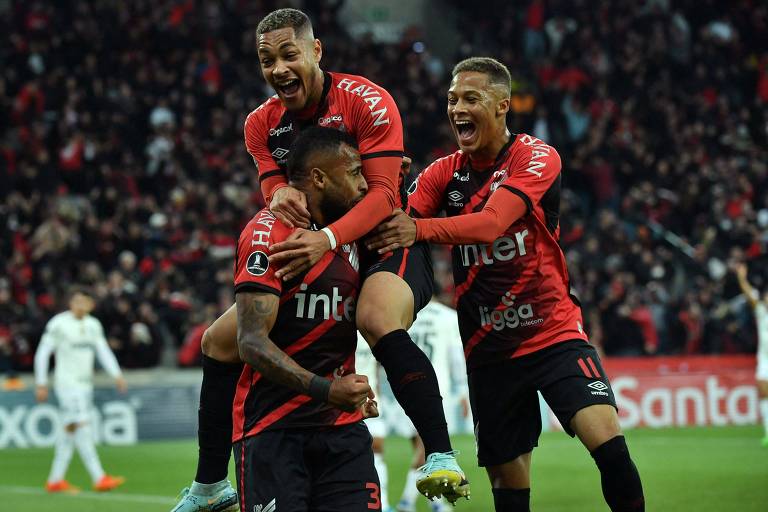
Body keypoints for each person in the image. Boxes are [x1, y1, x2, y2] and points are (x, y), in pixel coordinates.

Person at [172, 8, 467, 511]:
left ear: (316, 51)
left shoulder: (366, 100)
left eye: (290, 54)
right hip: (323, 244)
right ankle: (209, 484)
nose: (280, 68)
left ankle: (438, 453)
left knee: (375, 317)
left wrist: (327, 238)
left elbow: (380, 196)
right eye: (268, 60)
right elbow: (279, 196)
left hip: (384, 240)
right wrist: (285, 205)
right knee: (220, 341)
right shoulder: (262, 124)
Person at [367, 57, 645, 512]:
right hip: (490, 351)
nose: (457, 108)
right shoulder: (442, 174)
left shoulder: (536, 157)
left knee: (611, 448)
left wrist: (419, 230)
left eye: (471, 99)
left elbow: (492, 223)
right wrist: (388, 194)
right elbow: (399, 224)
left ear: (502, 106)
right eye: (452, 99)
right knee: (510, 493)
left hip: (552, 334)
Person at [232, 126, 380, 511]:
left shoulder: (349, 233)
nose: (364, 185)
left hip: (341, 431)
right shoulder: (269, 233)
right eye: (354, 173)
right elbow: (250, 341)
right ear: (319, 177)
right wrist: (326, 390)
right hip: (274, 430)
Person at [33, 287, 127, 493]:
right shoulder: (58, 324)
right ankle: (99, 477)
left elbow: (103, 351)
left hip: (85, 385)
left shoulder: (93, 325)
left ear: (91, 305)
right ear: (70, 303)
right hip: (67, 384)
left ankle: (55, 480)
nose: (80, 305)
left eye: (84, 302)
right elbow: (42, 353)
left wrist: (116, 374)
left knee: (70, 430)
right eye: (76, 301)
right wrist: (41, 382)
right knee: (82, 426)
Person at [735, 263, 768, 447]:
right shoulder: (762, 311)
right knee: (763, 392)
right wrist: (741, 277)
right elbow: (749, 294)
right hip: (765, 360)